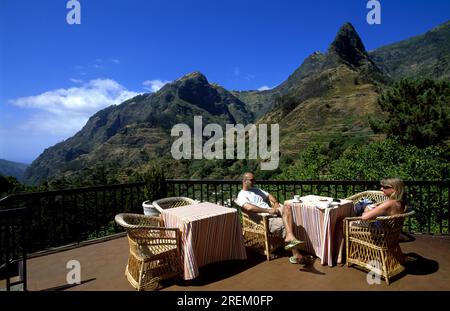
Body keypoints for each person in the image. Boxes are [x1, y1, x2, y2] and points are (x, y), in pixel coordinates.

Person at [236, 171, 308, 265]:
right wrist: (268, 211)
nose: (254, 181)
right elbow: (249, 207)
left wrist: (276, 203)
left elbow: (268, 195)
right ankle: (296, 255)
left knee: (287, 207)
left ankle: (290, 237)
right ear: (244, 181)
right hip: (264, 218)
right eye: (252, 180)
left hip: (273, 211)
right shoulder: (242, 195)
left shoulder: (256, 189)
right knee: (285, 225)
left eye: (254, 179)